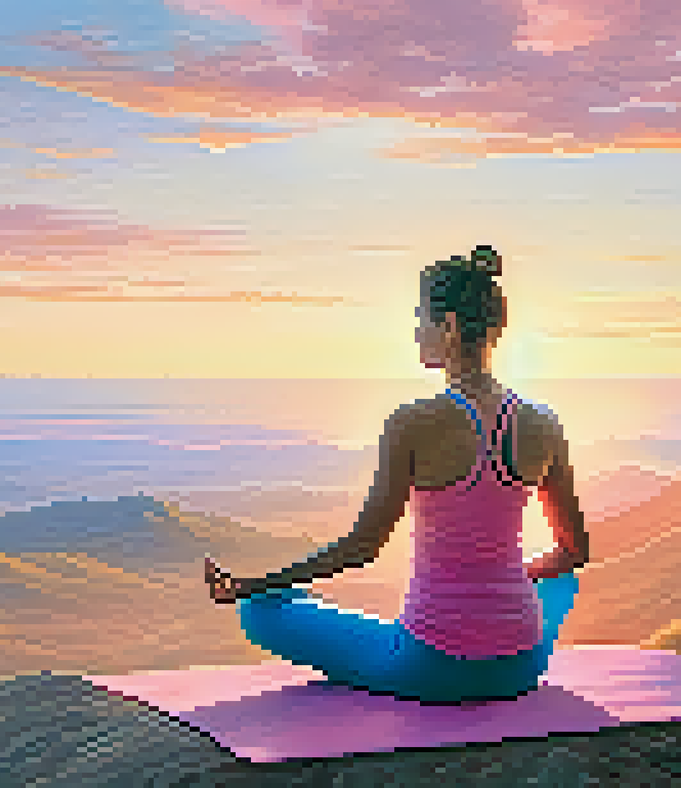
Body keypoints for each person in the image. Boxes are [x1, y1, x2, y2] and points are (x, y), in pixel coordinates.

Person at [205, 245, 591, 704]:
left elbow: (362, 548)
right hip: (521, 666)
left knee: (260, 613)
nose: (416, 333)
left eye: (421, 319)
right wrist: (505, 580)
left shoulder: (413, 421)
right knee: (559, 580)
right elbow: (573, 552)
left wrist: (256, 583)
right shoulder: (543, 422)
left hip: (434, 667)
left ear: (447, 327)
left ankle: (267, 601)